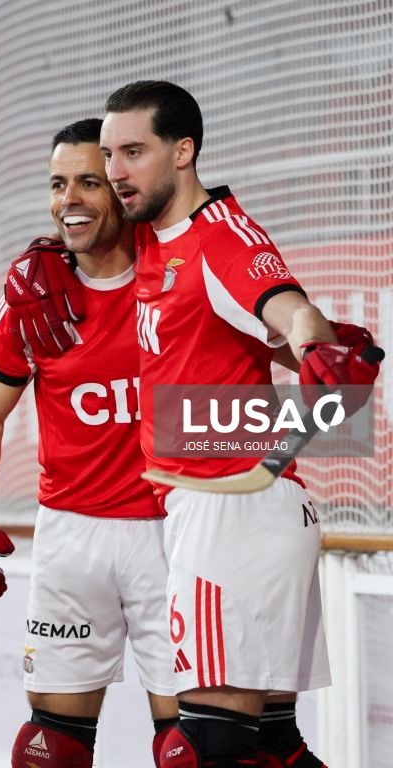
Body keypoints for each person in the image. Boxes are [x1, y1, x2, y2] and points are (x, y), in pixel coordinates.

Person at [99, 81, 382, 768]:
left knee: (202, 749)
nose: (115, 171)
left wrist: (317, 347)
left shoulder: (220, 238)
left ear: (183, 151)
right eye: (109, 155)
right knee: (272, 750)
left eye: (133, 152)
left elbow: (290, 308)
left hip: (232, 510)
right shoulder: (153, 235)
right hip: (220, 507)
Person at [0, 118, 178, 768]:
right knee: (48, 750)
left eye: (88, 182)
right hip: (72, 537)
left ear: (123, 190)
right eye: (56, 184)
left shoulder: (179, 270)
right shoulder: (33, 296)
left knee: (193, 747)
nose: (68, 199)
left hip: (174, 531)